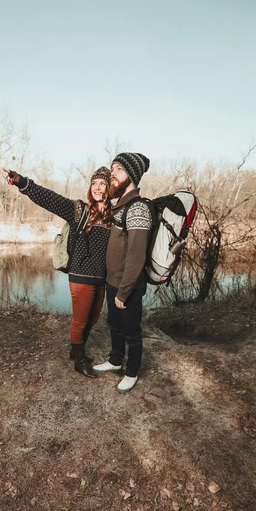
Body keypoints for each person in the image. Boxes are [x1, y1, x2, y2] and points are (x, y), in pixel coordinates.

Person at [3, 166, 112, 378]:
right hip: (81, 274)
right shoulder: (79, 210)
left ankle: (75, 349)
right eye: (94, 183)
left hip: (101, 276)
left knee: (94, 317)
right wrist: (22, 182)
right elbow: (49, 198)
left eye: (102, 184)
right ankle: (79, 360)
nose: (98, 188)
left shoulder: (113, 216)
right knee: (81, 319)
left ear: (109, 188)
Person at [93, 153, 152, 393]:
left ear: (132, 174)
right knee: (114, 325)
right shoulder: (120, 206)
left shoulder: (138, 208)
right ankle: (115, 360)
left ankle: (132, 371)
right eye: (112, 168)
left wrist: (124, 292)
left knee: (132, 332)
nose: (112, 174)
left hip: (128, 287)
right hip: (113, 282)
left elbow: (136, 256)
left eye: (118, 169)